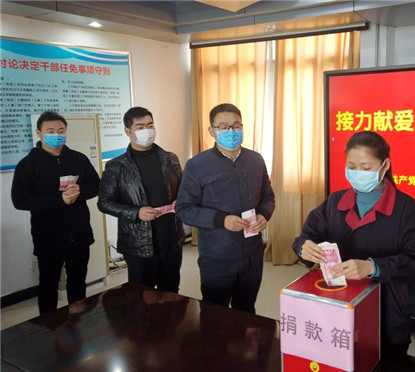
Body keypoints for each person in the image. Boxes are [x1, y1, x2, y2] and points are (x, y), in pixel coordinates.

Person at [292, 130, 415, 358]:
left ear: (385, 165)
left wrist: (372, 267)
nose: (358, 173)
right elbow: (307, 235)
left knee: (387, 368)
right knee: (340, 361)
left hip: (388, 311)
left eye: (366, 168)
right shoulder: (335, 201)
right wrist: (304, 247)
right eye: (352, 167)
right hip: (338, 303)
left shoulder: (406, 209)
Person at [176, 103, 275, 313]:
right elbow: (184, 209)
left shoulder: (256, 160)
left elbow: (268, 196)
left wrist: (264, 214)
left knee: (246, 309)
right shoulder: (197, 165)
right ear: (212, 131)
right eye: (223, 127)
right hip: (217, 255)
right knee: (215, 313)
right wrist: (221, 220)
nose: (231, 131)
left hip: (252, 252)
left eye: (236, 126)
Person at [11, 110, 100, 315]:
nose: (56, 134)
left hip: (79, 234)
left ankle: (78, 322)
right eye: (50, 131)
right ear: (39, 133)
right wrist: (59, 200)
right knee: (48, 285)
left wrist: (80, 191)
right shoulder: (28, 165)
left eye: (61, 130)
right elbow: (20, 200)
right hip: (48, 236)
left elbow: (96, 185)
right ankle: (47, 328)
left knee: (78, 282)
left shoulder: (78, 159)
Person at [98, 107, 184, 293]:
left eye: (150, 125)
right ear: (128, 131)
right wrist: (136, 212)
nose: (147, 130)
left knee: (171, 292)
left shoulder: (170, 158)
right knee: (141, 295)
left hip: (171, 237)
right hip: (138, 242)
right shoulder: (116, 166)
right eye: (140, 126)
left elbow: (183, 189)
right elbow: (104, 202)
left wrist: (182, 201)